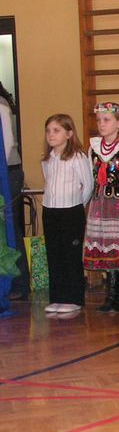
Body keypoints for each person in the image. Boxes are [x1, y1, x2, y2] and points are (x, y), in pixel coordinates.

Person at [83, 102, 119, 313]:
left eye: (106, 120)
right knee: (106, 248)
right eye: (99, 120)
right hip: (100, 204)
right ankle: (111, 293)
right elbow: (90, 177)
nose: (101, 124)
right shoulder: (94, 148)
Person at [41, 114, 93, 314]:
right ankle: (57, 297)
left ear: (69, 134)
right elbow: (48, 181)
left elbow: (88, 185)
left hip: (71, 211)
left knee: (70, 255)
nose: (51, 135)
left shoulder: (77, 157)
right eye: (48, 131)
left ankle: (73, 298)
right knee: (54, 254)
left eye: (56, 130)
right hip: (50, 211)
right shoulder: (47, 159)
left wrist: (77, 205)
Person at [0, 82, 28, 299]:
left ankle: (19, 283)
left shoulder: (1, 104)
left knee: (11, 227)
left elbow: (7, 144)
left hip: (7, 172)